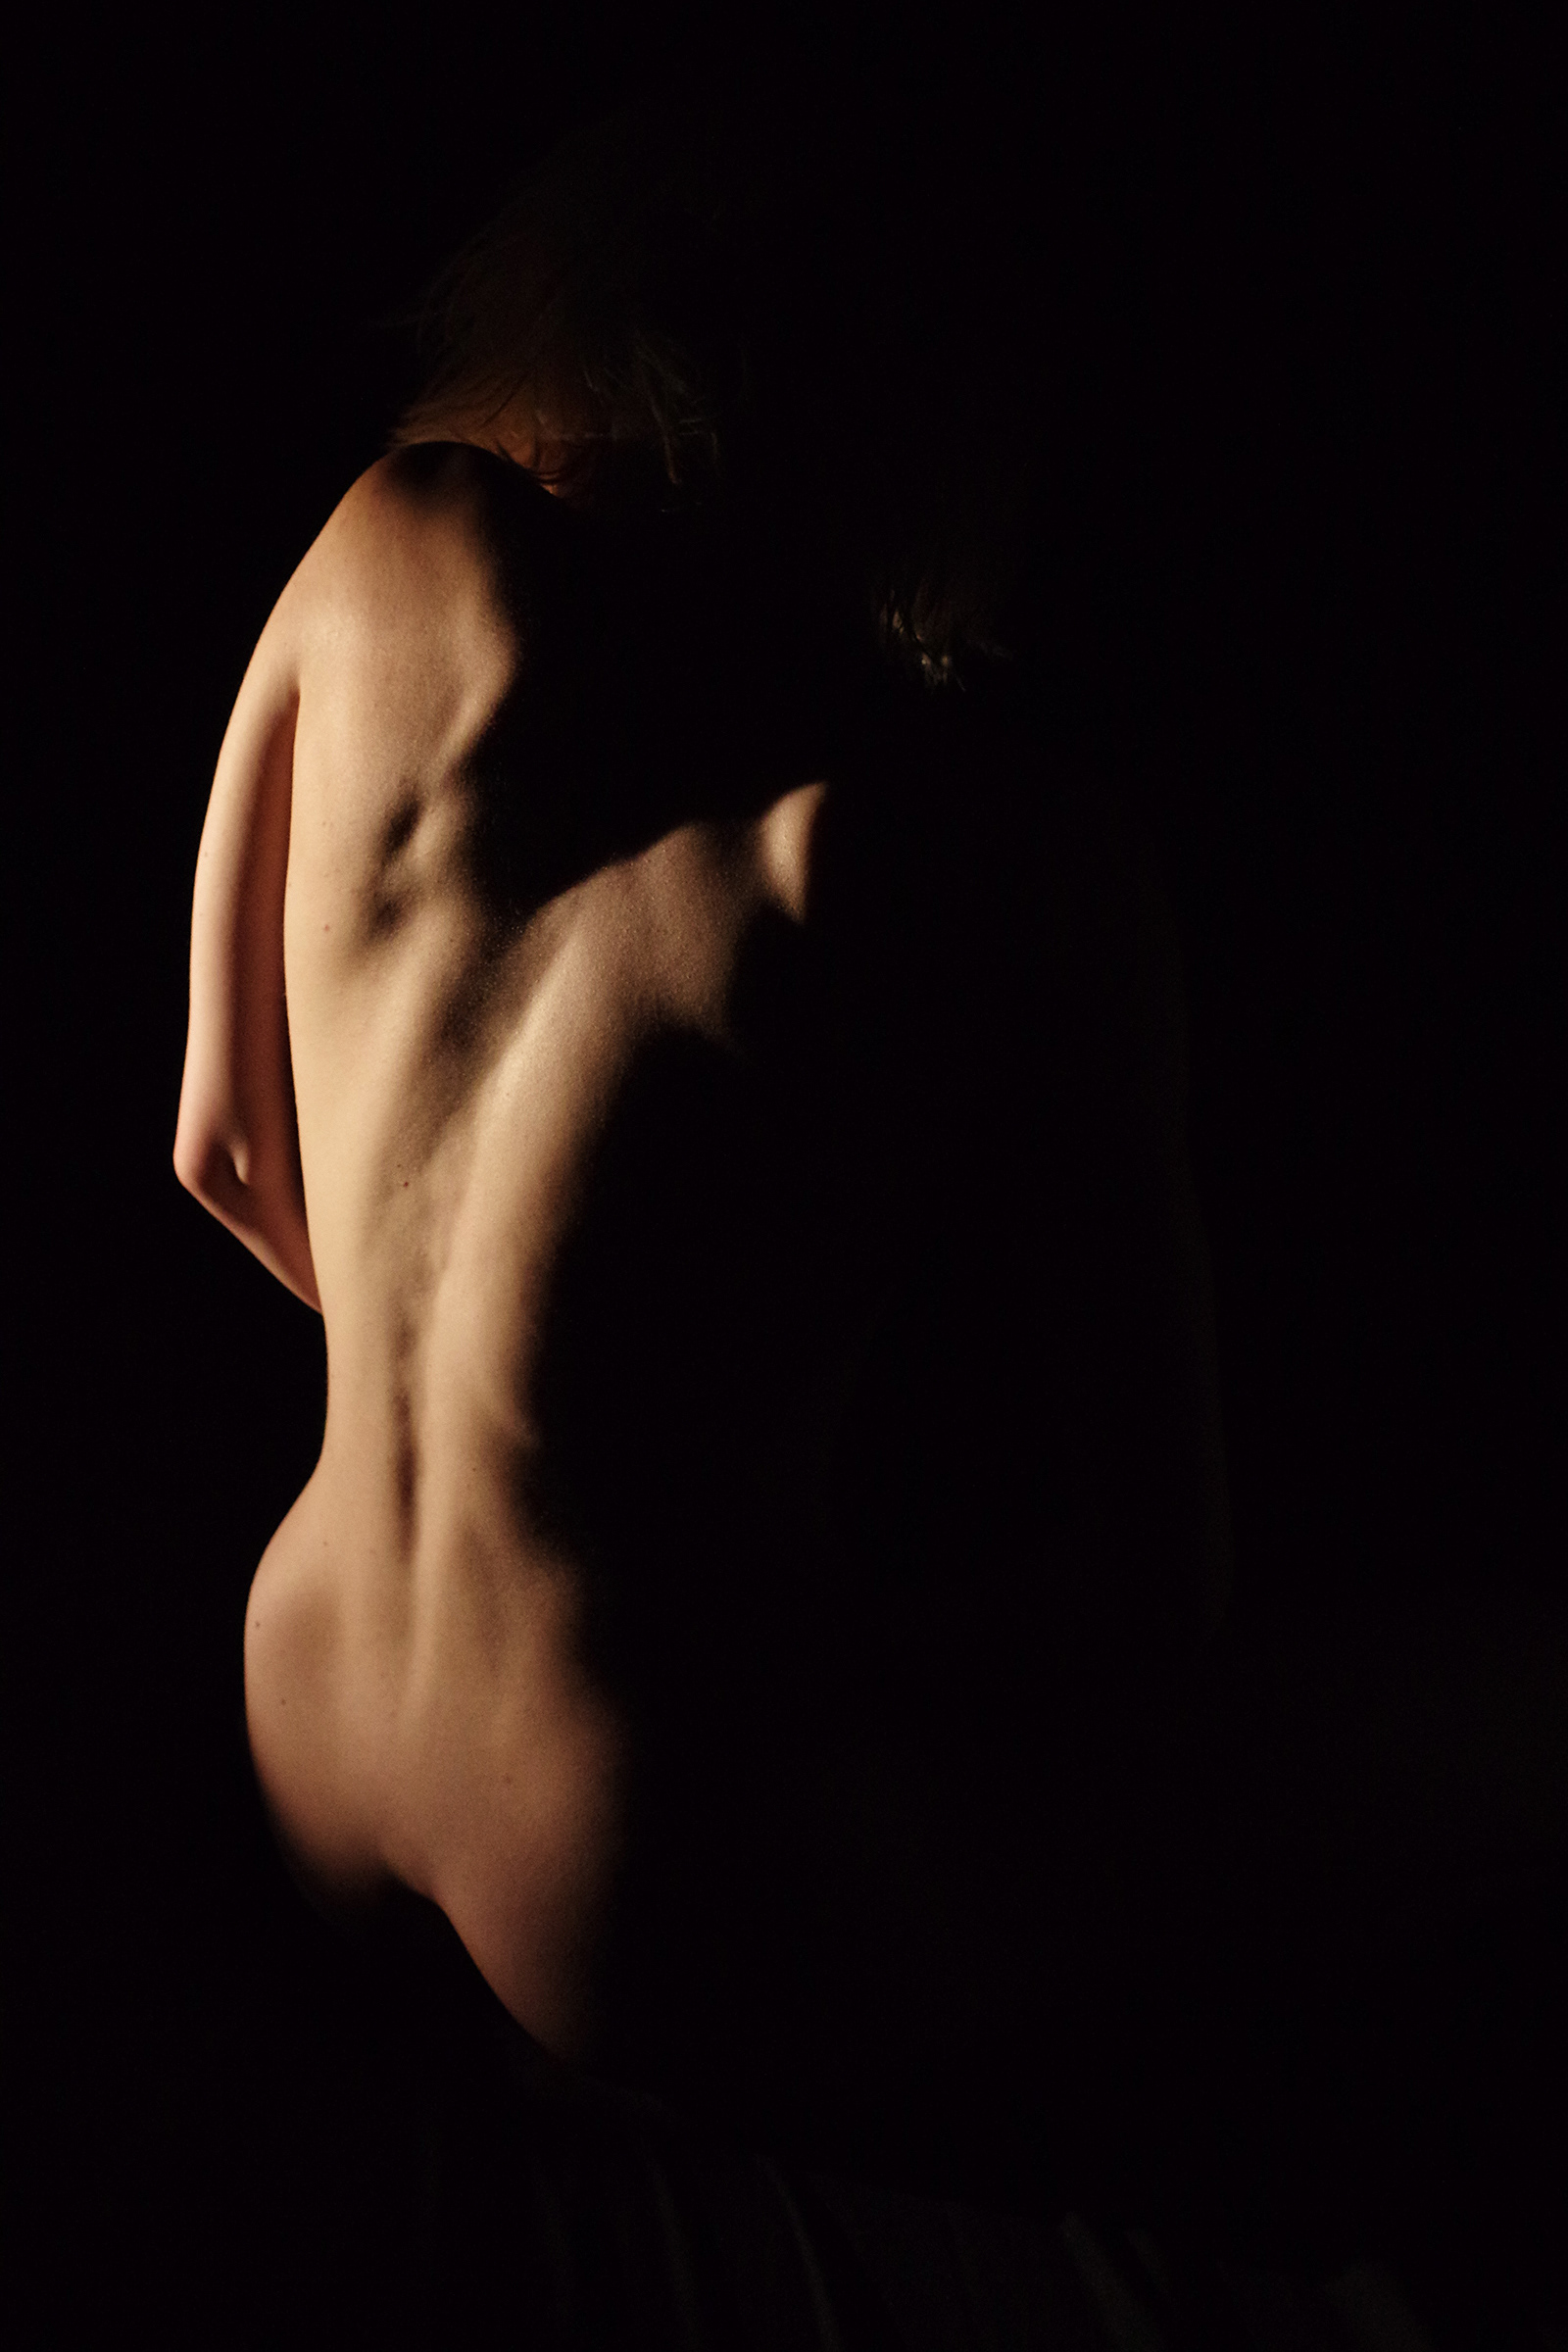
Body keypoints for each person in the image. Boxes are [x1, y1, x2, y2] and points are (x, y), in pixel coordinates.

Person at [174, 66, 1563, 2333]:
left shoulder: (380, 543)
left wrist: (470, 1366)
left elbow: (222, 1153)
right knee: (1489, 1723)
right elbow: (1149, 1577)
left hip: (300, 1708)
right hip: (633, 1858)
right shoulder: (976, 843)